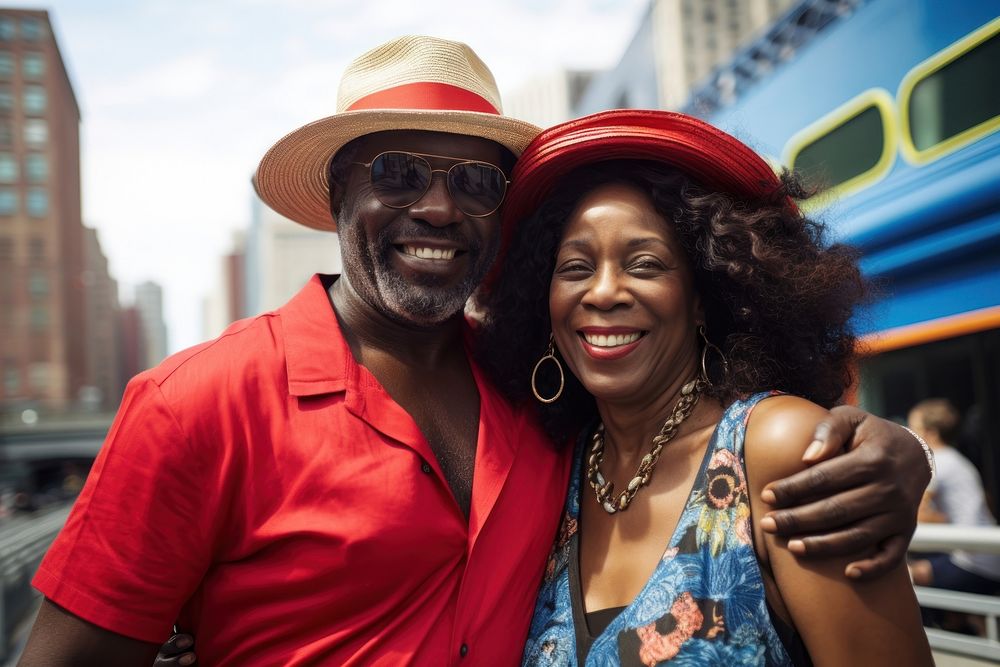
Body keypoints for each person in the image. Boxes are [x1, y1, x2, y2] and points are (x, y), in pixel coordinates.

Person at [19, 37, 931, 666]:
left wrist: (897, 452)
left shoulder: (539, 399)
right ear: (338, 195)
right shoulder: (197, 403)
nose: (439, 208)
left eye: (474, 180)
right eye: (397, 172)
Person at [475, 110, 933, 665]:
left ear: (702, 295)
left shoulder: (778, 449)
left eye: (644, 264)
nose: (603, 292)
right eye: (574, 268)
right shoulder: (556, 470)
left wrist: (914, 452)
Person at [907, 398, 1000, 595]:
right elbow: (987, 502)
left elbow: (916, 515)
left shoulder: (935, 461)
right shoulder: (957, 459)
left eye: (912, 428)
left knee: (905, 575)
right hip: (989, 557)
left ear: (930, 433)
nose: (908, 434)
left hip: (972, 562)